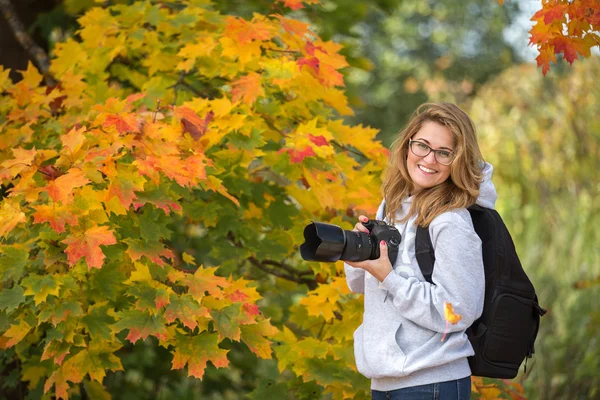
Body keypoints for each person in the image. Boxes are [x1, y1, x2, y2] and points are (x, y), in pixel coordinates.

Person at [344, 102, 497, 400]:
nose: (429, 159)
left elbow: (458, 312)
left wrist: (390, 277)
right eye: (422, 146)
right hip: (386, 381)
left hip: (431, 383)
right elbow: (361, 286)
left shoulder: (451, 221)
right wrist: (358, 255)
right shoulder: (391, 207)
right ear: (407, 146)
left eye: (444, 152)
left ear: (458, 160)